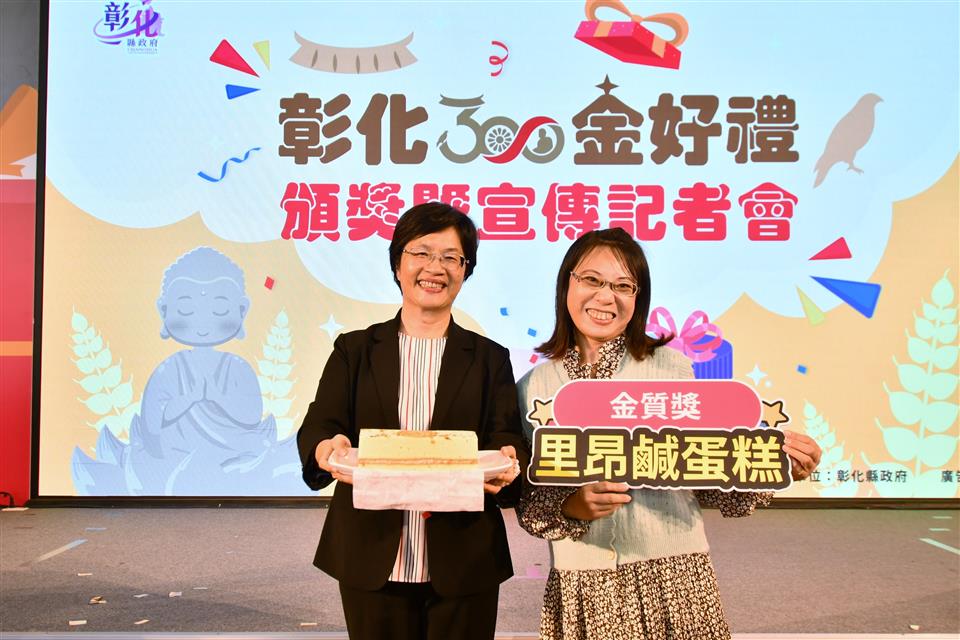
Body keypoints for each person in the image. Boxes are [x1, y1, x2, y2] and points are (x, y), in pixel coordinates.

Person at [515, 228, 821, 640]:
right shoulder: (533, 387)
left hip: (675, 574)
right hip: (583, 581)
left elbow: (709, 476)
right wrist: (573, 506)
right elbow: (530, 503)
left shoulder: (671, 368)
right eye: (591, 279)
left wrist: (774, 464)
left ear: (638, 298)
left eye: (623, 286)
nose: (606, 297)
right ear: (566, 282)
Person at [297, 202, 529, 640]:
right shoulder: (354, 350)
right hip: (371, 550)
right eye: (421, 253)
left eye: (451, 257)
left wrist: (509, 459)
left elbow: (506, 434)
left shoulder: (489, 358)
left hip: (464, 553)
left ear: (465, 270)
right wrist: (327, 447)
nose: (435, 268)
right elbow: (321, 424)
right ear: (397, 264)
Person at [72, 246, 305, 496]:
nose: (203, 322)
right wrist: (188, 399)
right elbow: (153, 425)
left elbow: (251, 416)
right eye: (185, 309)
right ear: (164, 310)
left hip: (233, 455)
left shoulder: (236, 367)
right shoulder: (169, 369)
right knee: (150, 460)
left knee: (259, 456)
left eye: (219, 309)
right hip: (175, 454)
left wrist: (218, 398)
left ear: (241, 310)